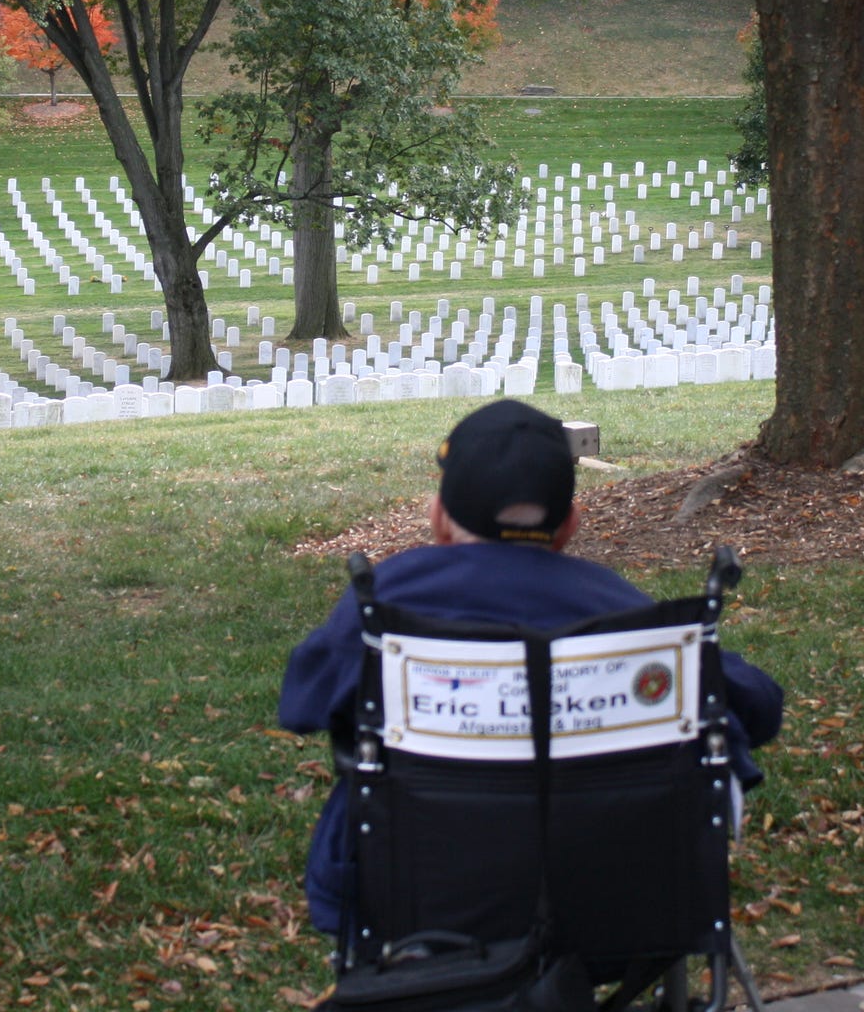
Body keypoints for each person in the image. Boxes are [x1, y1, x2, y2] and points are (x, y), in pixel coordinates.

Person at [279, 398, 786, 935]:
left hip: (406, 896)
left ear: (438, 519)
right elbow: (757, 703)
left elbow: (304, 701)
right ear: (569, 524)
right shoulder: (620, 609)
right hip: (618, 904)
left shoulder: (384, 599)